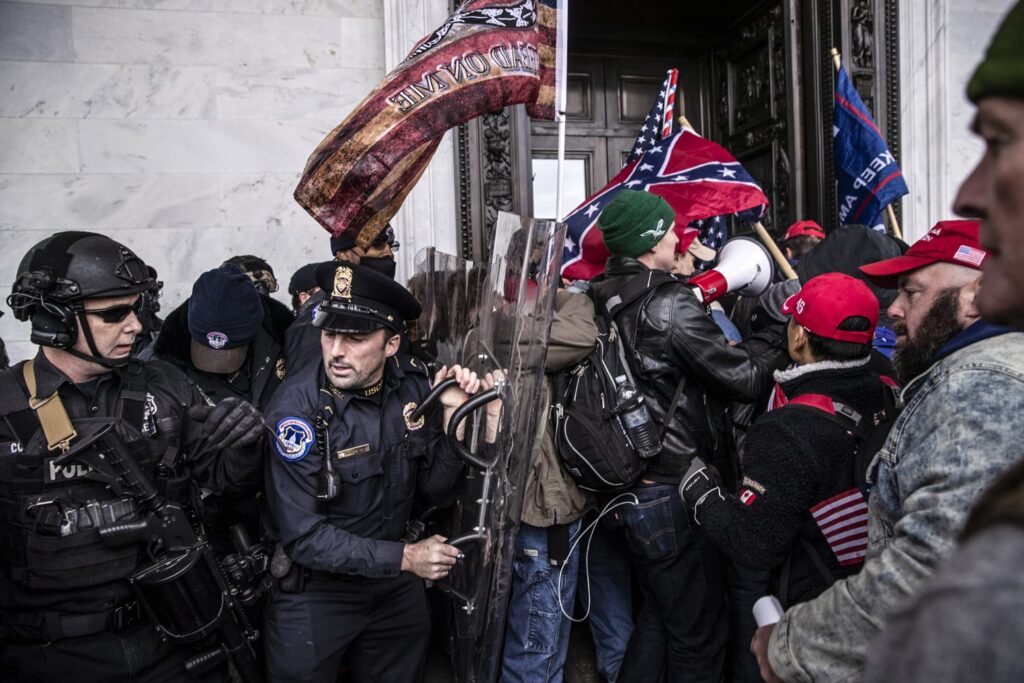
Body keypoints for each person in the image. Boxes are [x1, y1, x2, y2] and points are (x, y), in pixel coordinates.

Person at [752, 219, 1024, 683]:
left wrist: (789, 645)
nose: (894, 309)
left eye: (912, 292)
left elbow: (932, 572)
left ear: (978, 294)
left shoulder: (978, 388)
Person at [0, 231, 264, 682]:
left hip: (171, 640)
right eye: (114, 313)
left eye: (137, 308)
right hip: (51, 656)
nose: (137, 326)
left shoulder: (166, 385)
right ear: (54, 319)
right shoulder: (7, 404)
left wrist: (245, 445)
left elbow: (223, 486)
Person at [862, 5, 1024, 680]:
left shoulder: (977, 385)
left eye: (999, 140)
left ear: (967, 296)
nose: (966, 192)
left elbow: (922, 577)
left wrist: (790, 647)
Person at [586, 189, 789, 682]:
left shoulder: (597, 294)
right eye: (670, 229)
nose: (679, 238)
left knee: (660, 614)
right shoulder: (668, 304)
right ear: (650, 242)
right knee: (699, 635)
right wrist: (775, 336)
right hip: (674, 485)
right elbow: (744, 379)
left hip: (624, 481)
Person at [262, 260, 487, 683]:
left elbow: (435, 493)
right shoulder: (297, 410)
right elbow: (304, 537)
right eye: (329, 334)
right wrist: (406, 557)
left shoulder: (413, 387)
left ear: (391, 344)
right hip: (319, 592)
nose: (336, 351)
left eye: (356, 337)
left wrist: (454, 414)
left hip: (394, 585)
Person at [680, 273, 891, 607]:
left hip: (817, 604)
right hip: (881, 582)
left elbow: (753, 544)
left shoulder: (784, 429)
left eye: (791, 321)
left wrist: (703, 495)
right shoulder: (890, 388)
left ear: (800, 338)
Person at [500, 288, 596, 683]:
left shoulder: (520, 330)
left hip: (553, 510)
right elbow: (581, 333)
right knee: (534, 650)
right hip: (541, 514)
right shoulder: (503, 333)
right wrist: (561, 296)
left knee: (549, 641)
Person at [154, 264, 285, 550]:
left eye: (230, 350)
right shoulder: (162, 370)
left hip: (287, 505)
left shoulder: (285, 335)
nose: (218, 364)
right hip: (223, 519)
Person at [283, 225, 399, 374]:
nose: (388, 253)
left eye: (391, 245)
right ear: (344, 254)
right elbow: (308, 385)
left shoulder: (388, 306)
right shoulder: (321, 315)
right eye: (377, 244)